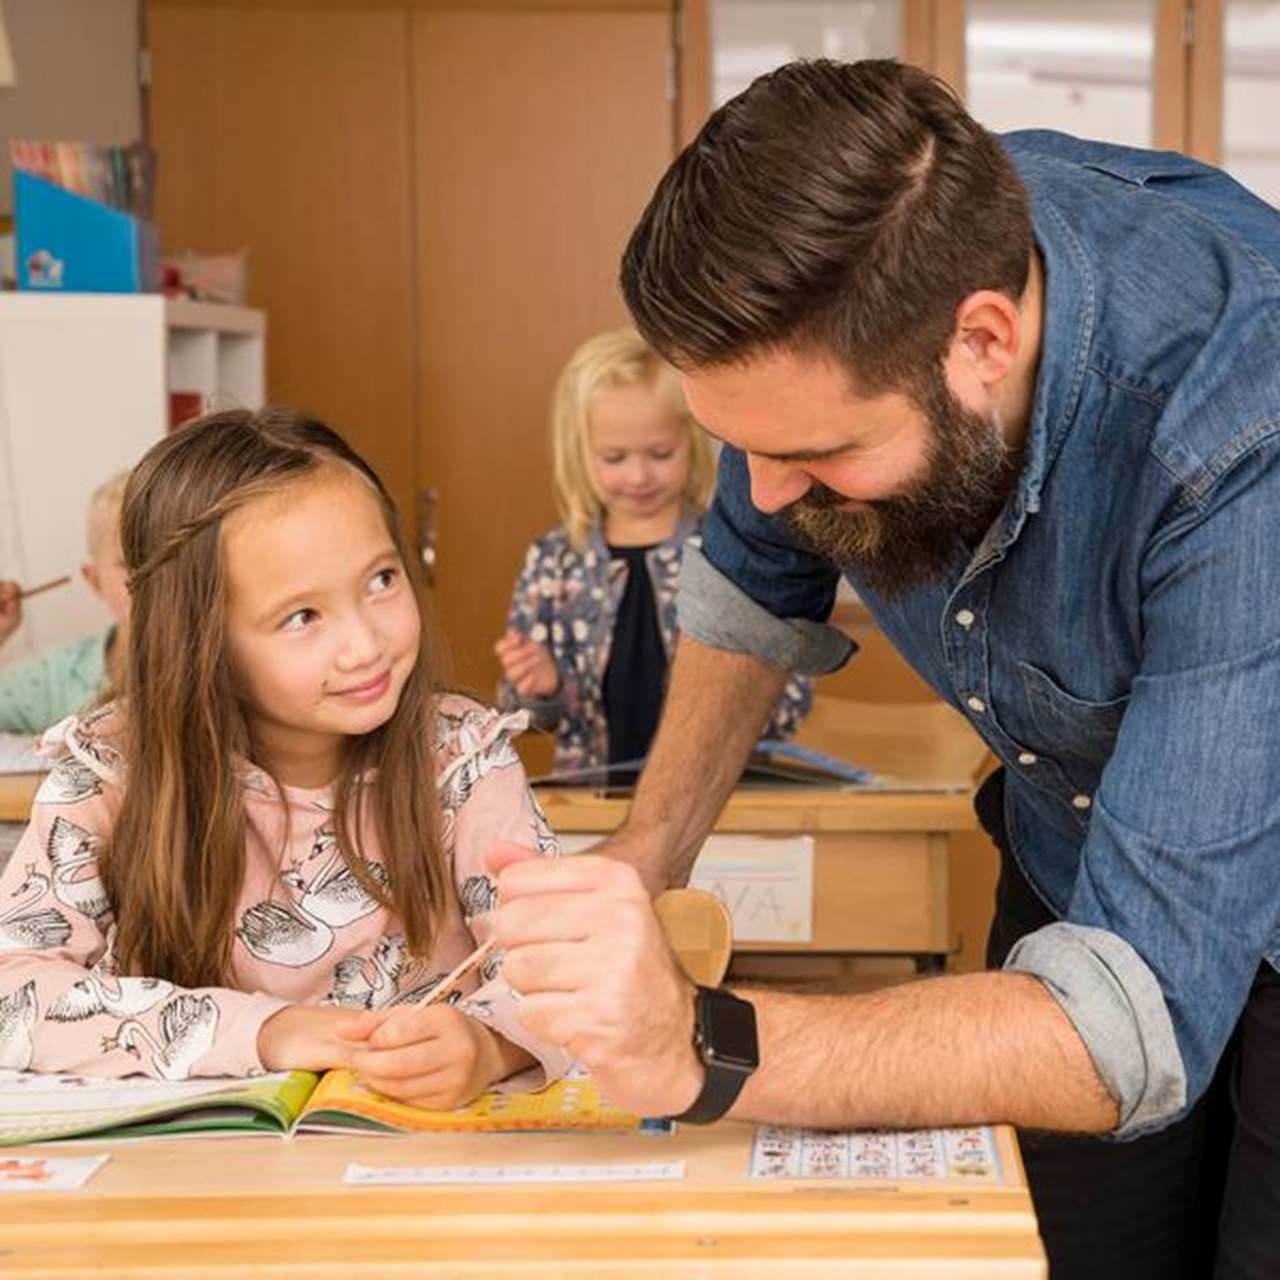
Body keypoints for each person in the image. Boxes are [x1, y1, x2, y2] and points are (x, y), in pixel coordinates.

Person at [486, 60, 1280, 1280]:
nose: (760, 496)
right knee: (1071, 1248)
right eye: (735, 446)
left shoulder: (1238, 430)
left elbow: (1132, 1023)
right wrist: (644, 863)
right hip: (1076, 853)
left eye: (813, 453)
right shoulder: (880, 271)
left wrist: (704, 1043)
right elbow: (755, 578)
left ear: (981, 341)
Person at [0, 408, 571, 1109]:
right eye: (302, 617)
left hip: (408, 1177)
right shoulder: (110, 769)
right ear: (201, 639)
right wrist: (271, 1031)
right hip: (195, 1188)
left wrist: (491, 1045)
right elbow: (13, 990)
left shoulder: (461, 755)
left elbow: (561, 965)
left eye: (382, 580)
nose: (365, 644)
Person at [494, 327, 811, 779]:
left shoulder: (733, 551)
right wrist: (545, 688)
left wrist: (734, 686)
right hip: (593, 804)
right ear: (580, 452)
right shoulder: (552, 561)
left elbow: (793, 699)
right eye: (614, 457)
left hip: (726, 805)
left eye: (660, 453)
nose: (639, 475)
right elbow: (521, 714)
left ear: (693, 440)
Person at [0, 471, 132, 733]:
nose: (157, 577)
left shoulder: (224, 667)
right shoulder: (60, 676)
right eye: (130, 563)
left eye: (172, 558)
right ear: (95, 581)